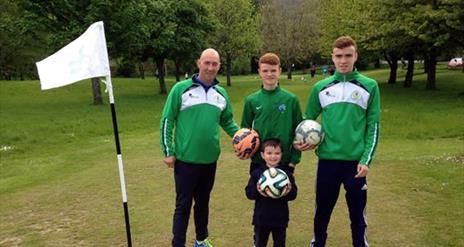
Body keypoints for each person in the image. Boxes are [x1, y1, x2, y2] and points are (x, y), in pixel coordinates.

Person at [295, 36, 381, 247]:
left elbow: (374, 126)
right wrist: (301, 141)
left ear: (355, 56)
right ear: (332, 58)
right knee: (322, 211)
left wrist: (366, 160)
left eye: (348, 56)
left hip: (355, 164)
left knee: (357, 214)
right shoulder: (321, 88)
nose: (343, 61)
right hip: (327, 161)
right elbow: (307, 121)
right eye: (339, 56)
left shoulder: (370, 86)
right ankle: (318, 243)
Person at [160, 48, 239, 247]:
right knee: (183, 206)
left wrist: (241, 137)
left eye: (215, 64)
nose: (210, 67)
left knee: (203, 204)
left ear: (219, 66)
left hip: (209, 160)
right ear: (198, 63)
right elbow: (167, 120)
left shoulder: (221, 93)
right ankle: (178, 243)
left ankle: (201, 240)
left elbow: (228, 121)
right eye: (207, 63)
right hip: (186, 161)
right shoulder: (181, 89)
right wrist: (168, 151)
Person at [239, 53, 303, 175]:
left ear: (280, 71)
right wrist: (244, 150)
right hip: (259, 160)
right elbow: (245, 131)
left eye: (273, 70)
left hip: (284, 160)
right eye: (265, 70)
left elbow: (299, 133)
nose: (269, 74)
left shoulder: (291, 99)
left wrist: (293, 161)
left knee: (288, 194)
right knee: (254, 193)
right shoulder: (251, 100)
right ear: (259, 72)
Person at [245, 138, 297, 247]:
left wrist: (288, 191)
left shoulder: (286, 174)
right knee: (260, 243)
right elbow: (249, 193)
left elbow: (294, 195)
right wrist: (258, 191)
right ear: (262, 155)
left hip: (280, 218)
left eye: (277, 153)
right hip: (261, 218)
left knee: (280, 244)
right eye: (269, 153)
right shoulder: (257, 173)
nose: (273, 156)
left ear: (281, 154)